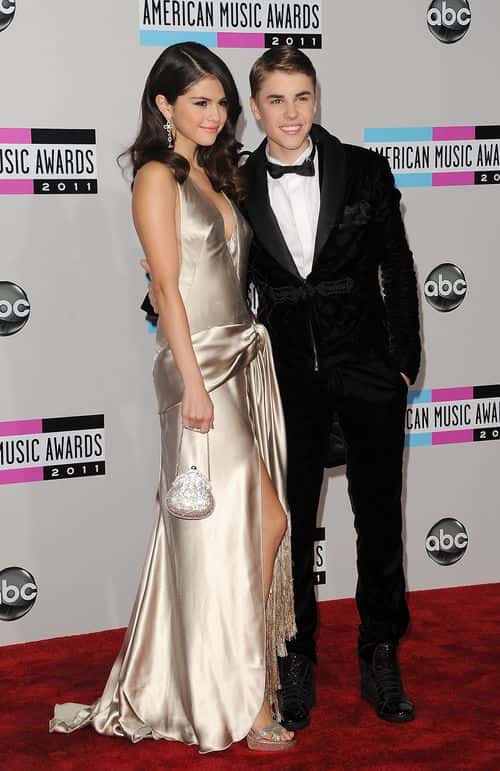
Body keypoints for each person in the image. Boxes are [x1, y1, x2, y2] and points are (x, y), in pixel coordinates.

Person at [142, 46, 421, 731]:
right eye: (275, 100)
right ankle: (295, 659)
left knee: (379, 520)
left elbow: (396, 265)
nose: (291, 113)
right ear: (256, 109)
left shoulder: (365, 169)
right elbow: (205, 265)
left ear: (316, 98)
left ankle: (381, 651)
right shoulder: (232, 179)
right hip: (281, 380)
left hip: (368, 372)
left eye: (302, 97)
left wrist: (403, 363)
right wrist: (160, 294)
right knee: (289, 525)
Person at [49, 42, 297, 754]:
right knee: (243, 526)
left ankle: (222, 675)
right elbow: (165, 287)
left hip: (239, 360)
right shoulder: (156, 176)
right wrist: (191, 383)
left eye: (221, 102)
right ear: (164, 104)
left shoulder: (211, 173)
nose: (215, 114)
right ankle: (245, 697)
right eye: (199, 102)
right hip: (200, 371)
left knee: (248, 526)